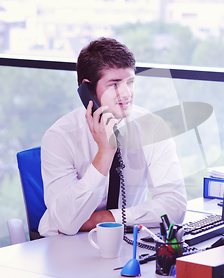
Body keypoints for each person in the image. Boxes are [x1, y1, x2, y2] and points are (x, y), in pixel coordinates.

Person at [38, 37, 187, 237]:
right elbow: (66, 223)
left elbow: (175, 207)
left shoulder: (153, 127)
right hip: (63, 244)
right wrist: (105, 152)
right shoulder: (60, 137)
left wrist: (105, 219)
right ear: (89, 90)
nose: (126, 94)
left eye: (130, 82)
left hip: (124, 239)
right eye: (115, 84)